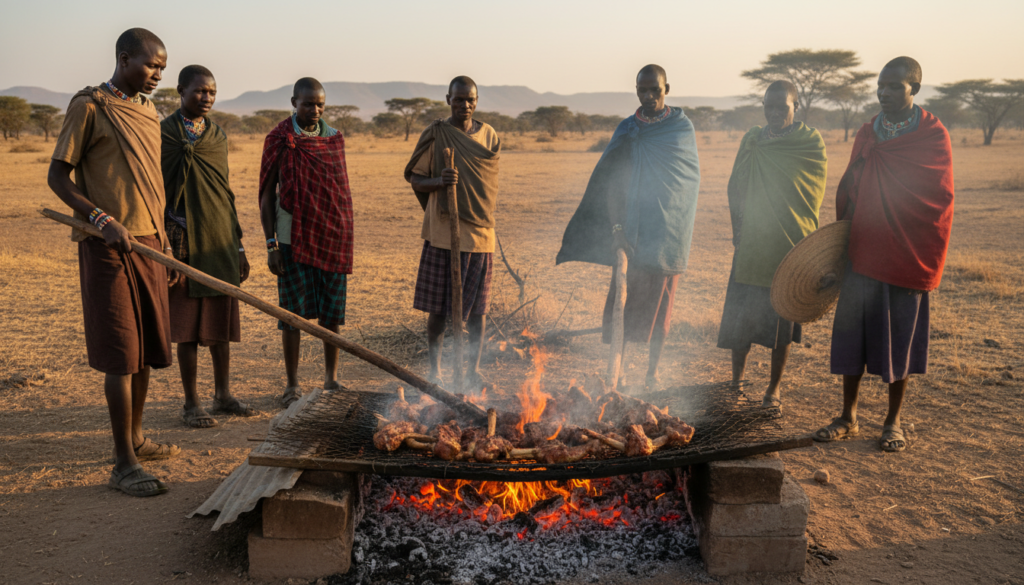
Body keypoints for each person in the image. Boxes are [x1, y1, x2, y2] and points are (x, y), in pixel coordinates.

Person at [47, 28, 179, 497]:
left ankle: (137, 440)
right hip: (107, 246)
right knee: (122, 354)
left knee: (144, 350)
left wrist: (165, 243)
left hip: (149, 244)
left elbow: (152, 187)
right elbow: (57, 176)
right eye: (150, 65)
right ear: (123, 59)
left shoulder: (149, 113)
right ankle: (123, 463)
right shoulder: (91, 106)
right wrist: (102, 219)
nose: (157, 75)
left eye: (162, 68)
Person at [813, 57, 954, 452]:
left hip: (907, 253)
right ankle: (848, 416)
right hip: (864, 250)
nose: (884, 93)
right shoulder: (868, 132)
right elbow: (851, 188)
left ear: (915, 90)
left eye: (894, 86)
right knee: (852, 335)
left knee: (899, 338)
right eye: (880, 86)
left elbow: (939, 198)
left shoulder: (931, 135)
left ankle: (893, 421)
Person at [556, 64, 700, 391]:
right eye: (642, 90)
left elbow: (685, 186)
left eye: (655, 90)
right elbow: (612, 182)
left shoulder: (680, 128)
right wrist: (617, 229)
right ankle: (618, 372)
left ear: (667, 89)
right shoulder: (627, 129)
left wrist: (668, 223)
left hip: (666, 232)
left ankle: (652, 372)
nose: (648, 96)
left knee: (660, 305)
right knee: (624, 298)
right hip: (631, 232)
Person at [717, 80, 828, 409]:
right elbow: (735, 186)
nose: (776, 112)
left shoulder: (808, 142)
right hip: (751, 245)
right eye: (770, 106)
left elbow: (810, 194)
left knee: (782, 323)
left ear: (797, 108)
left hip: (787, 246)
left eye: (783, 107)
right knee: (742, 323)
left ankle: (773, 390)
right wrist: (738, 229)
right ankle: (736, 384)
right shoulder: (752, 139)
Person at [161, 65, 254, 428]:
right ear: (180, 91)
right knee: (186, 328)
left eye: (212, 92)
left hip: (218, 240)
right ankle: (190, 403)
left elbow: (225, 192)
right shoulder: (163, 134)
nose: (207, 98)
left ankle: (223, 395)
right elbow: (156, 190)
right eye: (200, 91)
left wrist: (240, 246)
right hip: (182, 241)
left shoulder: (217, 136)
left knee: (219, 325)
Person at [259, 77, 353, 407]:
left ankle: (331, 379)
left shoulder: (333, 139)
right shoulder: (280, 139)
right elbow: (266, 196)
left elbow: (339, 194)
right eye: (307, 103)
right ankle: (292, 385)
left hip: (330, 236)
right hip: (289, 239)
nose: (314, 110)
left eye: (320, 105)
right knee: (292, 315)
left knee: (332, 314)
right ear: (293, 102)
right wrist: (271, 246)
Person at [404, 76, 501, 393]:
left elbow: (487, 185)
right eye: (459, 99)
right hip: (443, 234)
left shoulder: (489, 137)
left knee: (479, 311)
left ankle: (472, 371)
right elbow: (416, 178)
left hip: (480, 235)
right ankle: (436, 372)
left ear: (477, 100)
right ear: (448, 99)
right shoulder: (437, 134)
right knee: (438, 310)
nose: (465, 105)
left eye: (470, 99)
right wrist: (440, 182)